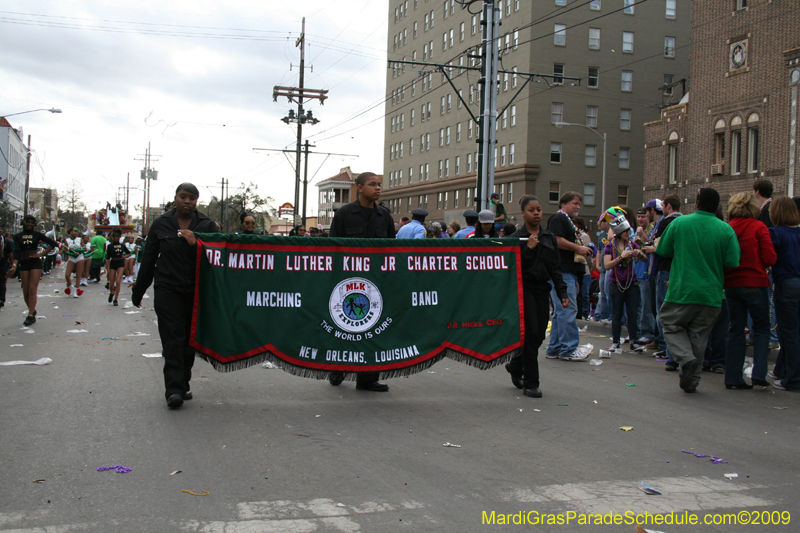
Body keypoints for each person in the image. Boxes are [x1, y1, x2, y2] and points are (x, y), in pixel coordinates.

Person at [132, 183, 219, 408]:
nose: (187, 201)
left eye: (192, 198)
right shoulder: (161, 224)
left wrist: (196, 244)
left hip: (195, 290)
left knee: (189, 341)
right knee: (173, 337)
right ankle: (174, 389)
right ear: (176, 198)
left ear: (196, 202)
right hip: (167, 288)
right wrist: (138, 291)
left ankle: (183, 382)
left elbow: (218, 259)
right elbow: (149, 258)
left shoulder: (207, 225)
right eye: (183, 197)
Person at [656, 188, 740, 393]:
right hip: (711, 293)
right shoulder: (725, 229)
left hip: (682, 289)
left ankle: (686, 359)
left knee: (670, 324)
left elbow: (662, 250)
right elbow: (732, 261)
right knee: (699, 336)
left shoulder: (679, 223)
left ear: (697, 203)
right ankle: (691, 381)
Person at [328, 172, 395, 392]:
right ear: (359, 188)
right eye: (372, 185)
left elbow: (391, 251)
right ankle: (338, 367)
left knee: (373, 329)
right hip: (346, 281)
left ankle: (367, 378)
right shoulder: (345, 214)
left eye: (379, 185)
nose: (378, 188)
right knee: (345, 325)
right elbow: (333, 248)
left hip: (376, 284)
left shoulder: (384, 215)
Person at [506, 196, 568, 398]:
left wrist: (562, 292)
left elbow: (555, 267)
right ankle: (531, 382)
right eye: (531, 210)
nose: (536, 213)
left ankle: (516, 365)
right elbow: (512, 267)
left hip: (543, 289)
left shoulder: (549, 237)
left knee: (540, 334)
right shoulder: (517, 238)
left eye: (539, 209)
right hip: (524, 289)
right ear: (523, 213)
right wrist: (528, 249)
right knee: (532, 333)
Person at [722, 192, 776, 390]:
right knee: (761, 328)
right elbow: (770, 257)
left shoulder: (728, 228)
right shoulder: (759, 227)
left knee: (735, 328)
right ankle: (759, 373)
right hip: (755, 282)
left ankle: (733, 376)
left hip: (732, 283)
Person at [546, 192, 592, 361]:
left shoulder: (567, 221)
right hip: (562, 272)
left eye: (579, 204)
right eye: (575, 203)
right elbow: (556, 240)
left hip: (567, 272)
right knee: (567, 310)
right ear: (563, 204)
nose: (578, 207)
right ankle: (568, 349)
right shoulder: (559, 219)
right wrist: (578, 248)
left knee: (561, 311)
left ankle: (555, 348)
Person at [768, 196, 800, 392]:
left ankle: (793, 378)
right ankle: (782, 369)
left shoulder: (775, 233)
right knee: (795, 331)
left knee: (788, 333)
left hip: (786, 283)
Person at [603, 215, 647, 353]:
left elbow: (645, 259)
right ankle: (616, 341)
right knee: (617, 313)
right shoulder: (610, 246)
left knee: (632, 313)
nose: (628, 233)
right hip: (616, 282)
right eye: (626, 231)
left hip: (631, 283)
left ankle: (633, 341)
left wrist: (639, 254)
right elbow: (607, 265)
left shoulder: (632, 244)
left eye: (629, 231)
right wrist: (621, 257)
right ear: (619, 232)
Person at [650, 195, 682, 368]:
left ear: (669, 206)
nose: (662, 209)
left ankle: (665, 346)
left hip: (664, 270)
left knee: (663, 311)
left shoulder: (665, 222)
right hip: (679, 270)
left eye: (663, 206)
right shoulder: (685, 222)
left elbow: (660, 247)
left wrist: (650, 246)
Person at [12, 215, 57, 326]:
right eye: (28, 222)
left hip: (35, 263)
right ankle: (32, 309)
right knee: (26, 291)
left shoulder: (37, 235)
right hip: (24, 263)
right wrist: (14, 265)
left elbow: (53, 244)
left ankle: (30, 314)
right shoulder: (18, 236)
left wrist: (41, 254)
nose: (29, 225)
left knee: (32, 289)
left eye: (32, 223)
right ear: (23, 223)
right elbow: (16, 252)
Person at [633, 208, 656, 344]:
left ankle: (648, 332)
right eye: (639, 216)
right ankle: (637, 331)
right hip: (636, 271)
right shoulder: (636, 232)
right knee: (637, 305)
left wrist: (643, 237)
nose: (641, 219)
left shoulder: (652, 231)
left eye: (644, 217)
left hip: (646, 272)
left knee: (646, 304)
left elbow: (652, 247)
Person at [105, 228, 131, 306]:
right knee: (111, 283)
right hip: (113, 263)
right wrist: (107, 268)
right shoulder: (110, 246)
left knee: (118, 281)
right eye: (115, 236)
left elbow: (129, 253)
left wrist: (124, 257)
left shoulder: (122, 245)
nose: (116, 237)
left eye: (118, 236)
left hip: (120, 263)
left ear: (120, 237)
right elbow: (107, 257)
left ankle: (116, 299)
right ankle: (112, 292)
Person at [63, 227, 85, 298]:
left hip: (80, 258)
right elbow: (66, 251)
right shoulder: (67, 240)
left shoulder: (79, 239)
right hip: (71, 259)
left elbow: (84, 248)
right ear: (70, 232)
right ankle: (70, 287)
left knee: (78, 275)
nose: (76, 233)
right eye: (74, 231)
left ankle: (76, 290)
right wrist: (71, 251)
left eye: (77, 232)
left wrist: (79, 251)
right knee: (67, 275)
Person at [0, 227, 14, 309]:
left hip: (2, 264)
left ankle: (1, 299)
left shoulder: (5, 241)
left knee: (2, 281)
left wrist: (13, 264)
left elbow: (10, 253)